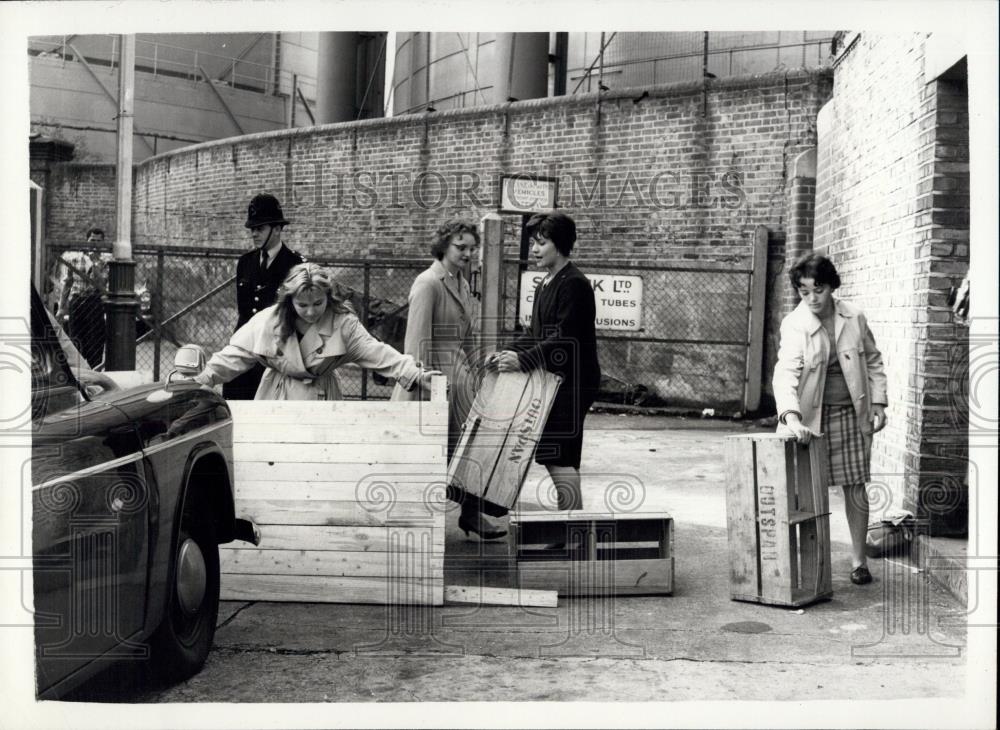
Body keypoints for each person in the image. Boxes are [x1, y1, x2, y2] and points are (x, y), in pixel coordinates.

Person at [772, 253, 888, 586]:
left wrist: (879, 401)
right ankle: (815, 562)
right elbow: (785, 373)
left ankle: (858, 561)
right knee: (811, 492)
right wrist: (791, 416)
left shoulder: (854, 317)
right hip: (811, 420)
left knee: (855, 488)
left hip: (852, 415)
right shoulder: (795, 324)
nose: (811, 298)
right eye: (804, 291)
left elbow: (875, 361)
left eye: (818, 289)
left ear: (831, 286)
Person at [392, 219, 505, 540]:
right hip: (433, 385)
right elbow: (414, 345)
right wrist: (421, 388)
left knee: (469, 452)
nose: (468, 253)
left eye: (473, 248)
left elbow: (468, 337)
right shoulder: (428, 283)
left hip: (462, 384)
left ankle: (470, 515)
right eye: (461, 247)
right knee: (427, 457)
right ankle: (413, 528)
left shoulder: (461, 283)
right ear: (443, 246)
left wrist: (482, 370)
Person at [194, 263, 439, 400]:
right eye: (302, 305)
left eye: (318, 303)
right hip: (276, 398)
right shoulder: (269, 321)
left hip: (322, 400)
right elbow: (235, 355)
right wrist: (202, 378)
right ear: (289, 301)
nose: (310, 312)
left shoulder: (344, 324)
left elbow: (379, 353)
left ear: (328, 297)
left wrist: (415, 374)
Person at [489, 211, 601, 512]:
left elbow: (566, 338)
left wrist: (523, 361)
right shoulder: (546, 283)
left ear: (560, 244)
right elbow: (536, 333)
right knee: (560, 455)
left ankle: (574, 527)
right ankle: (572, 525)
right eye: (534, 243)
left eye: (541, 243)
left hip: (574, 382)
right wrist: (506, 353)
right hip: (556, 380)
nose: (535, 250)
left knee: (557, 455)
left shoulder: (574, 284)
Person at [224, 192, 304, 400]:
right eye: (252, 229)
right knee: (235, 406)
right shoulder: (246, 262)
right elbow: (244, 312)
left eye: (260, 228)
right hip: (244, 347)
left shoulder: (295, 265)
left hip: (275, 353)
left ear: (277, 229)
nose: (254, 234)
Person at [55, 227, 108, 369]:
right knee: (76, 339)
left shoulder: (106, 260)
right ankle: (78, 372)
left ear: (103, 243)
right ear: (87, 241)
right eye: (92, 240)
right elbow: (67, 283)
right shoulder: (74, 257)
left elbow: (102, 284)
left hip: (94, 302)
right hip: (77, 302)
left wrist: (95, 263)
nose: (95, 244)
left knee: (95, 342)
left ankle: (95, 371)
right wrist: (61, 307)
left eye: (98, 241)